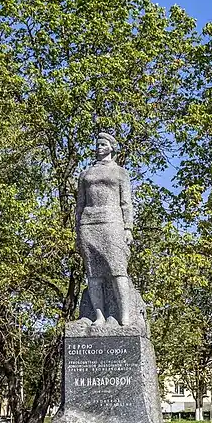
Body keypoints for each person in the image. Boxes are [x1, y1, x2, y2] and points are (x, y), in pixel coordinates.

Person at [75, 132, 134, 326]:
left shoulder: (120, 173)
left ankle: (124, 315)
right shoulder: (85, 174)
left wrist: (128, 228)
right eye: (98, 144)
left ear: (111, 147)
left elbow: (126, 203)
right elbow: (80, 204)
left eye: (103, 144)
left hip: (112, 222)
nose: (99, 147)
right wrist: (77, 230)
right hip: (88, 223)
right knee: (93, 274)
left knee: (118, 270)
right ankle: (99, 316)